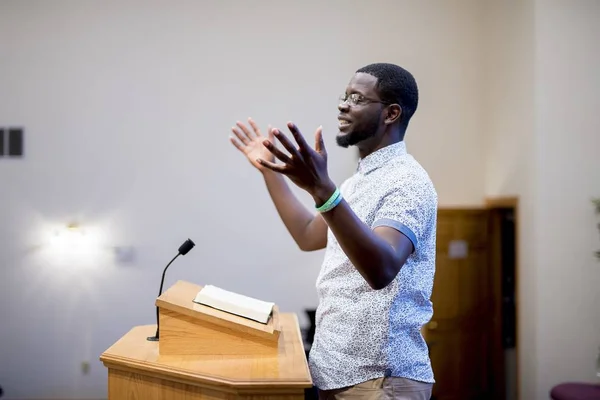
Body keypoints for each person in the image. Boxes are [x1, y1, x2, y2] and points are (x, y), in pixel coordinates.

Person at [230, 62, 437, 400]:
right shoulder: (357, 183)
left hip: (381, 380)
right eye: (345, 96)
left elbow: (381, 269)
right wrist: (270, 171)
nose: (343, 104)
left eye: (357, 98)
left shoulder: (408, 182)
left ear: (391, 113)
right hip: (333, 374)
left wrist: (325, 192)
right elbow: (308, 235)